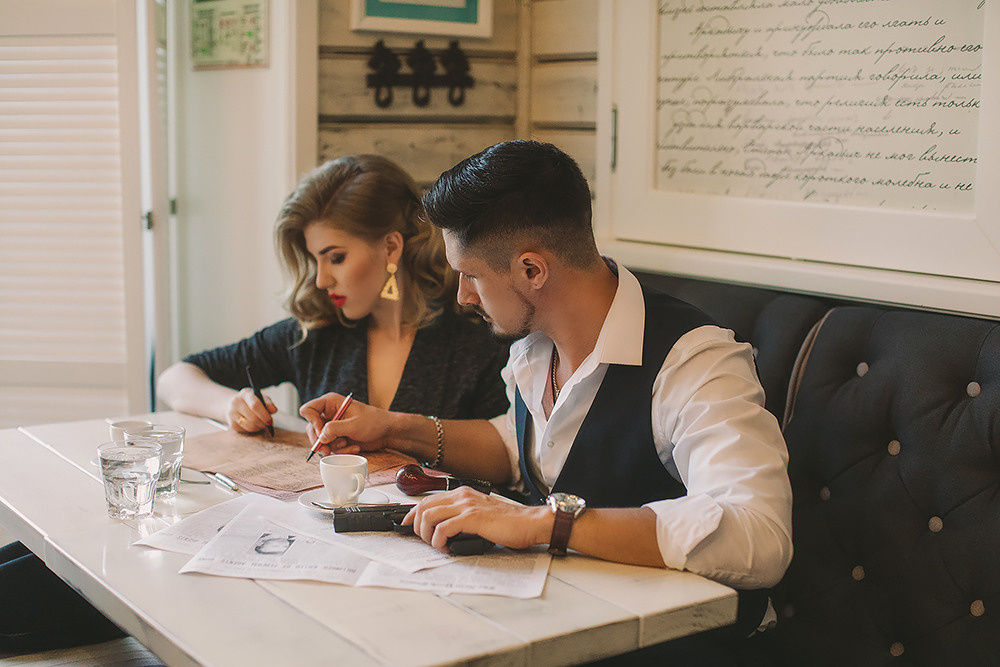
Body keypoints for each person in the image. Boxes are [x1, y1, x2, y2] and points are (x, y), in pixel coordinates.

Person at [301, 141, 793, 662]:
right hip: (563, 620)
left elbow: (759, 535)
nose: (463, 295)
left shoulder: (695, 361)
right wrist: (394, 428)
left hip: (680, 646)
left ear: (532, 271)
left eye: (471, 274)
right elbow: (524, 449)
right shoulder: (534, 345)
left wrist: (544, 522)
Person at [157, 154, 509, 432]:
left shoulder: (477, 344)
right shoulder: (315, 335)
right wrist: (229, 406)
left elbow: (505, 463)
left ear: (390, 247)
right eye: (315, 260)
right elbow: (174, 379)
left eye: (336, 258)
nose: (321, 281)